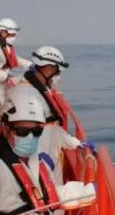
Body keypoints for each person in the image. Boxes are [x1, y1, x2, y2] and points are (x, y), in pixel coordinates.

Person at [8, 46, 93, 184]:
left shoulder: (41, 90)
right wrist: (38, 159)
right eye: (57, 71)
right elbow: (25, 133)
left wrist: (75, 143)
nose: (58, 75)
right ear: (48, 68)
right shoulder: (25, 93)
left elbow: (52, 128)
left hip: (49, 153)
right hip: (40, 157)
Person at [0, 17, 31, 109]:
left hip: (3, 81)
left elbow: (12, 58)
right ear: (3, 32)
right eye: (11, 35)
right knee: (0, 107)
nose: (13, 37)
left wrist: (29, 65)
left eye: (14, 35)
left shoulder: (4, 44)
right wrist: (5, 76)